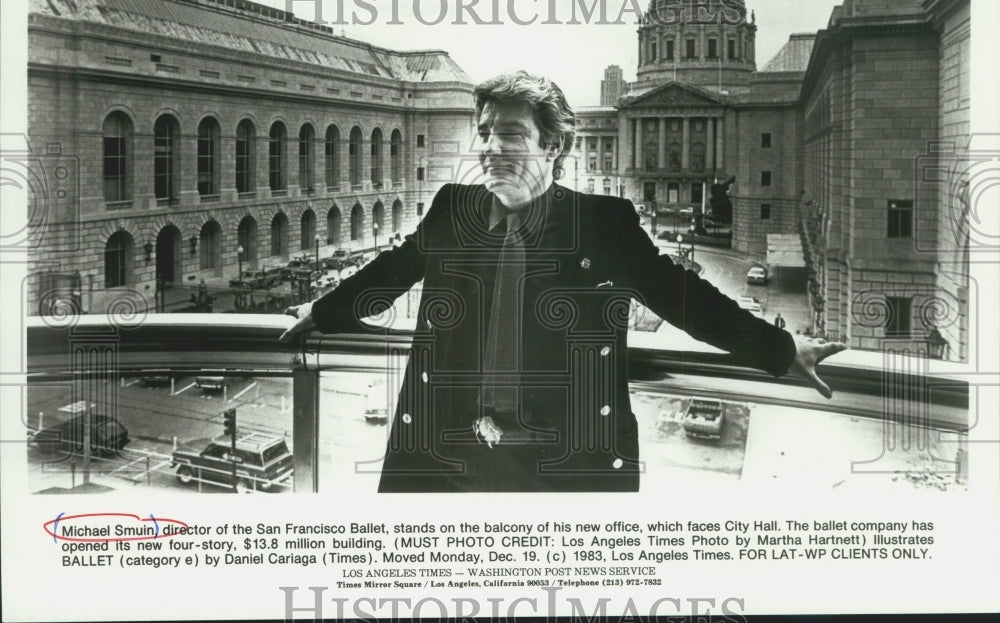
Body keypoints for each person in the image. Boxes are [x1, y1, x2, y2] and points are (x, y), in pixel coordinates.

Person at [280, 71, 844, 492]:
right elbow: (397, 266)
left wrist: (781, 348)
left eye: (512, 135)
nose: (492, 147)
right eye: (485, 133)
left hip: (559, 464)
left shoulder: (603, 223)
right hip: (448, 457)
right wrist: (324, 312)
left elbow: (683, 297)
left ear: (555, 147)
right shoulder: (455, 207)